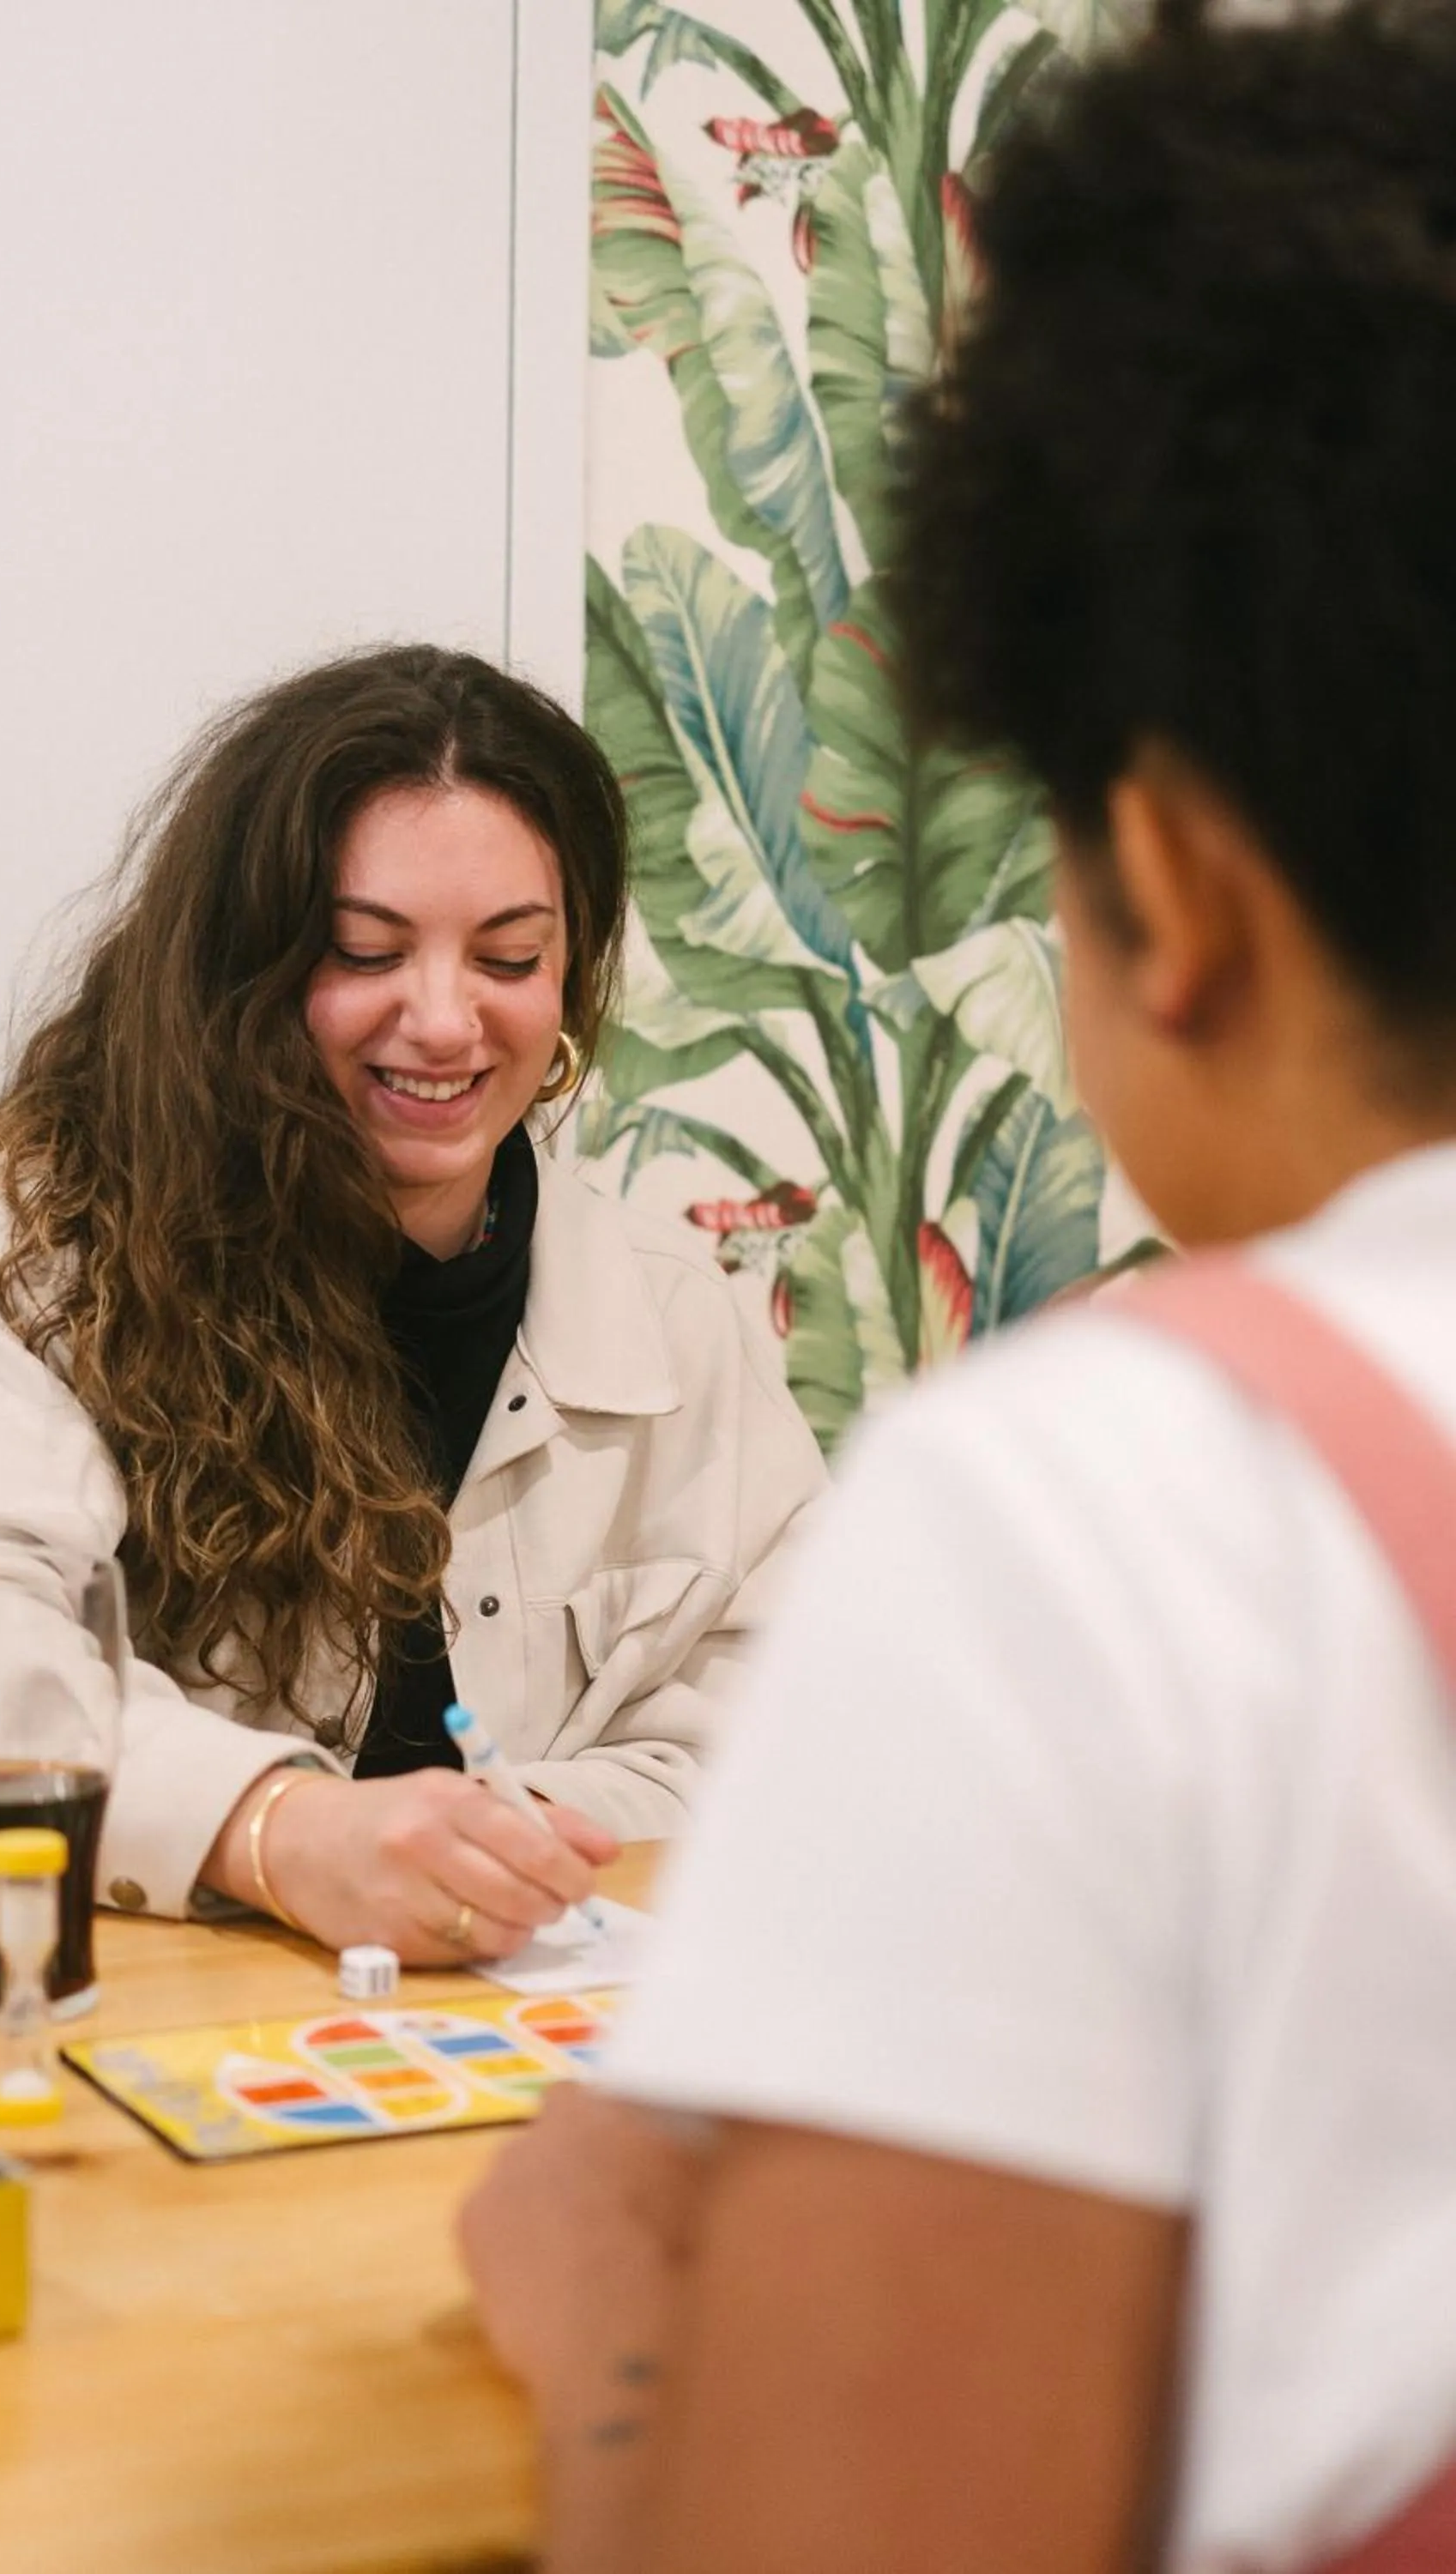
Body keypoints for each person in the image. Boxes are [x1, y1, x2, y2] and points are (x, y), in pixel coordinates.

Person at [460, 4, 1456, 2566]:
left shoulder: (1120, 1511)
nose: (437, 1018)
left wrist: (605, 2329)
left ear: (1176, 891)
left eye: (508, 951)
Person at [0, 647, 825, 1962]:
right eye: (366, 951)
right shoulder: (41, 1258)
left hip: (517, 2033)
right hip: (108, 2015)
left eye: (510, 958)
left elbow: (795, 1723)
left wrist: (477, 1846)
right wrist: (282, 1832)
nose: (444, 1020)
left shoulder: (670, 1314)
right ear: (247, 972)